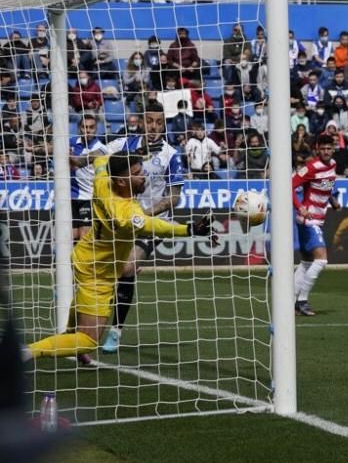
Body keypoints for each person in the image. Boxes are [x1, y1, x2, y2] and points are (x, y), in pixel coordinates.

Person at [25, 153, 211, 360]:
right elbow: (155, 226)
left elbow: (100, 160)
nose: (144, 176)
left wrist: (88, 159)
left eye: (141, 169)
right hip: (98, 273)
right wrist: (190, 229)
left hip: (85, 255)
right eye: (137, 173)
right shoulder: (125, 213)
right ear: (122, 181)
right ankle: (25, 353)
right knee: (89, 341)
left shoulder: (103, 179)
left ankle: (70, 336)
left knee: (81, 311)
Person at [97, 102, 185, 356]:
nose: (154, 127)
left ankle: (116, 330)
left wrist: (144, 215)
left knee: (127, 266)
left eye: (159, 122)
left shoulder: (170, 154)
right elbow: (96, 156)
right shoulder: (124, 145)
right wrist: (74, 160)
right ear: (141, 122)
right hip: (122, 220)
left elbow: (174, 197)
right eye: (150, 121)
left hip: (150, 223)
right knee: (108, 270)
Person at [291, 133, 340, 316]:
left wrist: (333, 201)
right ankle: (302, 301)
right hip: (309, 219)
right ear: (317, 149)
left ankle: (291, 302)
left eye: (329, 148)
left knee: (306, 262)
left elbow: (326, 188)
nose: (327, 151)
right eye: (323, 148)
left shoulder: (333, 165)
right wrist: (300, 207)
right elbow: (289, 184)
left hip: (318, 218)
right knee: (321, 259)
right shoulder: (311, 167)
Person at [69, 114, 109, 240]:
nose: (88, 130)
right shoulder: (72, 142)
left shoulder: (101, 149)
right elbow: (52, 148)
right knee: (69, 237)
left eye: (91, 127)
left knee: (84, 238)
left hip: (88, 198)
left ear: (96, 129)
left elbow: (79, 162)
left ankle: (87, 260)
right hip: (70, 197)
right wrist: (36, 149)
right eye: (84, 127)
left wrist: (68, 156)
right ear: (79, 128)